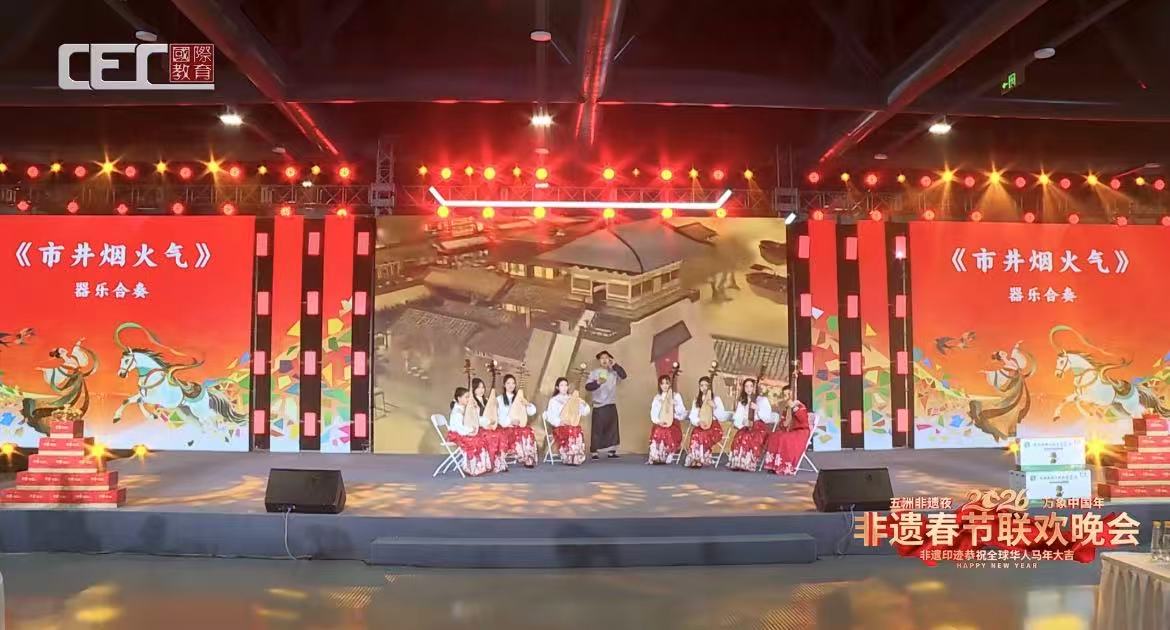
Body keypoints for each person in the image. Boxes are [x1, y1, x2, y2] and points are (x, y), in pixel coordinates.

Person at [585, 350, 626, 460]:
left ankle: (612, 451)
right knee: (597, 429)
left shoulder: (614, 372)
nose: (604, 360)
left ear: (610, 359)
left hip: (611, 403)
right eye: (602, 358)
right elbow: (588, 387)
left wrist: (615, 365)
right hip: (598, 405)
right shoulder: (594, 372)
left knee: (612, 428)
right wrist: (597, 383)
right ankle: (594, 452)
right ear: (599, 361)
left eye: (606, 358)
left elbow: (624, 375)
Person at [727, 378, 774, 471]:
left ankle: (749, 462)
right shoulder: (743, 401)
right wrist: (742, 423)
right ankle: (739, 462)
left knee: (749, 437)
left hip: (760, 426)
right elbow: (737, 417)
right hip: (747, 425)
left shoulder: (762, 400)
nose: (749, 389)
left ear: (755, 388)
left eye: (751, 386)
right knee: (740, 436)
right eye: (746, 386)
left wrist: (757, 409)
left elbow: (767, 418)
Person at [447, 387, 495, 476]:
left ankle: (482, 466)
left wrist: (477, 410)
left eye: (469, 397)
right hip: (458, 434)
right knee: (475, 441)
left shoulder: (465, 408)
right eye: (466, 397)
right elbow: (459, 428)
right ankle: (472, 468)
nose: (468, 399)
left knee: (484, 437)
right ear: (459, 398)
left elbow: (475, 419)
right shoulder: (457, 411)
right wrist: (470, 430)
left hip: (466, 432)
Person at [763, 385, 811, 475]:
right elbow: (783, 423)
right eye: (785, 395)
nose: (788, 397)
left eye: (789, 394)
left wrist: (794, 408)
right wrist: (783, 424)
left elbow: (803, 420)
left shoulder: (800, 406)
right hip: (790, 432)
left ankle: (784, 466)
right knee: (774, 436)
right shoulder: (786, 408)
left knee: (784, 438)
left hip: (800, 432)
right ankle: (774, 465)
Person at [686, 376, 730, 468]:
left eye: (706, 385)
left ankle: (703, 459)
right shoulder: (696, 400)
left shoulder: (716, 399)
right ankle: (695, 459)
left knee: (703, 435)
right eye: (701, 385)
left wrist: (714, 407)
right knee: (696, 433)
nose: (704, 388)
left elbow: (722, 416)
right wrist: (698, 422)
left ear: (710, 387)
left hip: (714, 426)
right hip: (701, 424)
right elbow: (693, 415)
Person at [544, 377, 590, 465]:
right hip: (559, 427)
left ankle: (576, 457)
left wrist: (583, 403)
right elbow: (550, 416)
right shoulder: (553, 400)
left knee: (576, 429)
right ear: (557, 387)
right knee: (571, 430)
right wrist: (559, 422)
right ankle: (568, 457)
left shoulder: (572, 399)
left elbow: (584, 412)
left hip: (571, 426)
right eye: (561, 385)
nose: (564, 387)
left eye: (566, 385)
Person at [497, 374, 538, 468]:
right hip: (507, 427)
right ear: (504, 385)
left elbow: (532, 412)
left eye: (513, 383)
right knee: (516, 432)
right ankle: (517, 456)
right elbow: (499, 417)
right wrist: (510, 421)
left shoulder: (520, 397)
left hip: (519, 426)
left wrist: (527, 404)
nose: (511, 385)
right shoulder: (499, 399)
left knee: (527, 431)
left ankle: (528, 459)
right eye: (508, 383)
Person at [647, 374, 686, 464]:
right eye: (662, 383)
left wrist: (675, 404)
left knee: (667, 431)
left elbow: (682, 413)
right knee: (659, 430)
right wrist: (658, 421)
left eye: (667, 383)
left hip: (673, 423)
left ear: (670, 384)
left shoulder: (676, 396)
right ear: (659, 385)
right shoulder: (657, 398)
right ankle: (657, 455)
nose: (664, 385)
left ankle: (669, 453)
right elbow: (654, 413)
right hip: (660, 422)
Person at [471, 378, 509, 473]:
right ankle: (491, 463)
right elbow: (475, 418)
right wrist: (487, 422)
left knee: (501, 433)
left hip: (489, 426)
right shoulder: (472, 402)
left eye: (482, 387)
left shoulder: (486, 400)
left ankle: (500, 462)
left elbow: (493, 413)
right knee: (492, 436)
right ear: (473, 389)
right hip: (479, 428)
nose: (481, 390)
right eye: (478, 388)